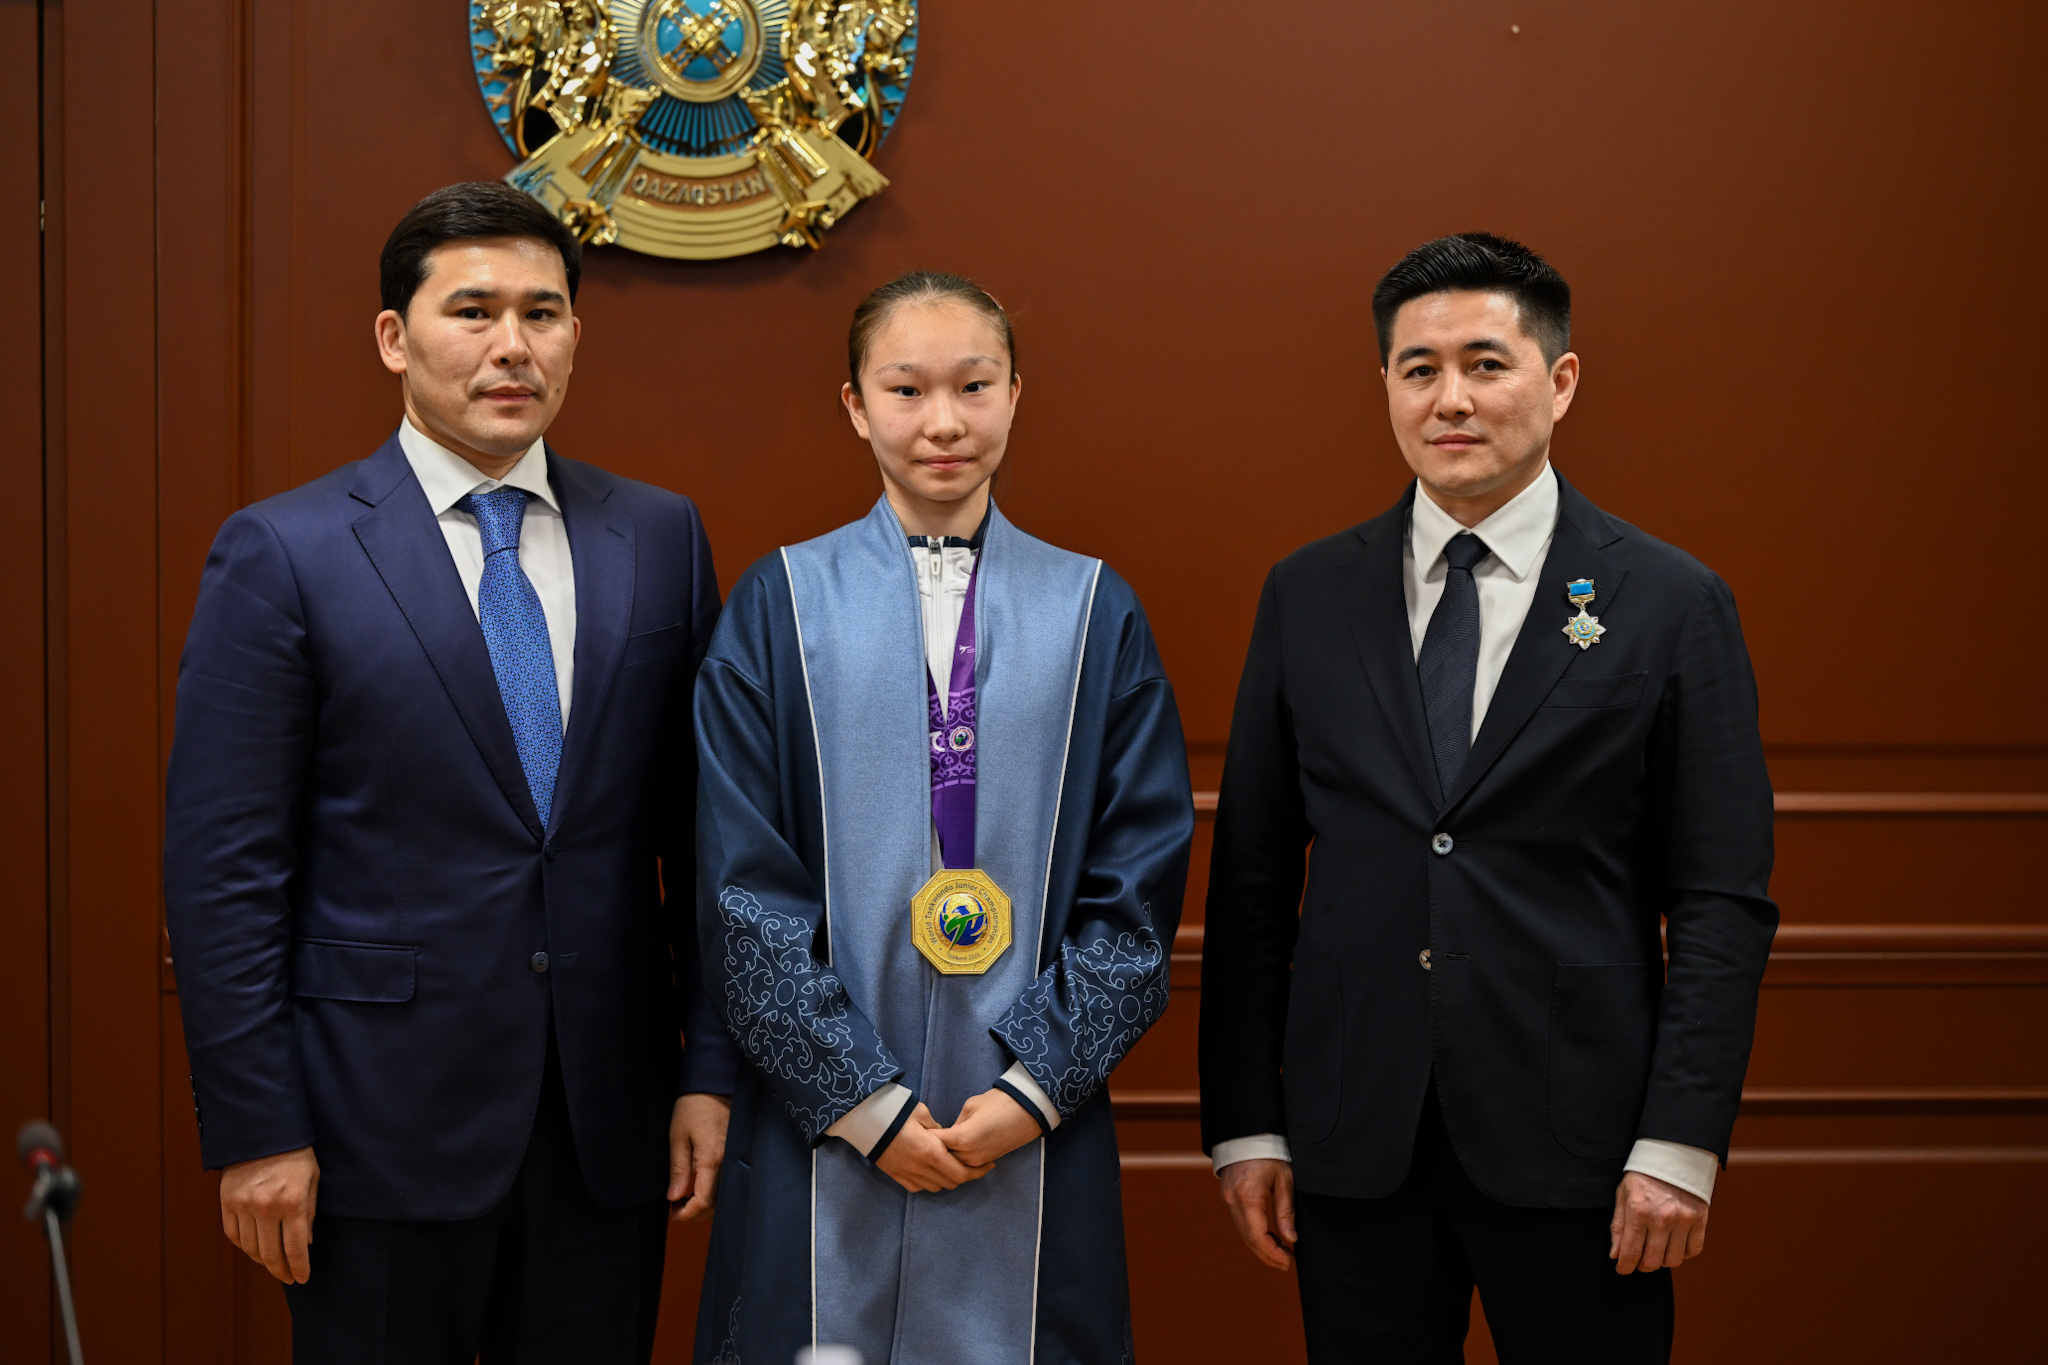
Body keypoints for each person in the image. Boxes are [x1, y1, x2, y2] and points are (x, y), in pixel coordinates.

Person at [163, 181, 737, 1363]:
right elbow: (225, 870)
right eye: (471, 310)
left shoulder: (661, 536)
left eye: (543, 311)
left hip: (606, 1124)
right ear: (395, 336)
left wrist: (709, 1070)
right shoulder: (286, 550)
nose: (511, 344)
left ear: (576, 333)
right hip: (368, 1131)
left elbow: (706, 833)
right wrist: (256, 1127)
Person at [1198, 233, 1777, 1362]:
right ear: (1383, 387)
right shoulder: (1308, 593)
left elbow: (1717, 899)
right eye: (1417, 369)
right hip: (1353, 1137)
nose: (1448, 398)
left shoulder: (1665, 599)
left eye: (1484, 364)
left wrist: (1677, 1144)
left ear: (1558, 382)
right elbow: (1252, 879)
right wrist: (1243, 1121)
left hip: (1583, 1146)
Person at [692, 271, 1194, 1365]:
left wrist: (1032, 1090)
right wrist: (860, 1101)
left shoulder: (1093, 610)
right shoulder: (777, 606)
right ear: (854, 405)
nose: (942, 422)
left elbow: (1139, 887)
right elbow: (741, 889)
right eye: (906, 389)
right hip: (824, 1124)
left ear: (1016, 393)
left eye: (972, 385)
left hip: (1025, 1125)